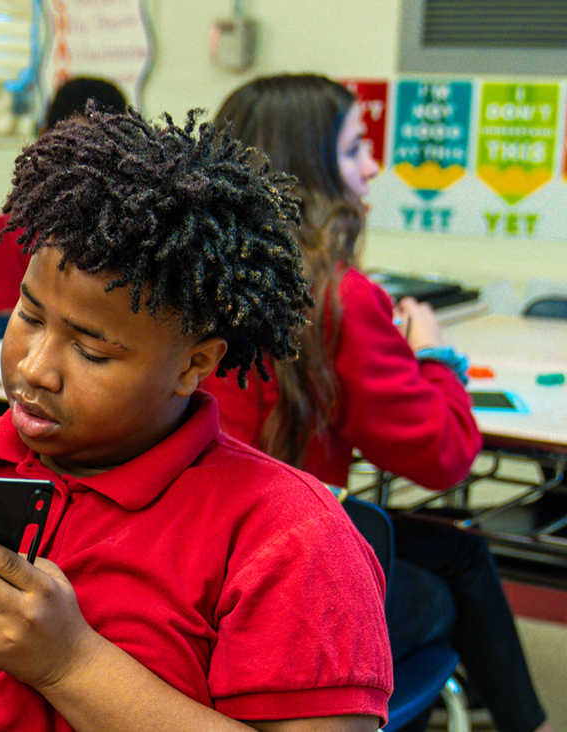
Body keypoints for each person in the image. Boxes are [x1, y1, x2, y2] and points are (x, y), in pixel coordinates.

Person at [0, 107, 393, 732]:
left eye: (90, 350)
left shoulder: (288, 535)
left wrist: (68, 664)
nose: (34, 368)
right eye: (29, 316)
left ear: (194, 363)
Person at [200, 74, 555, 732]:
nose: (372, 166)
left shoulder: (192, 274)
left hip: (200, 555)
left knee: (458, 554)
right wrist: (434, 355)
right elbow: (443, 457)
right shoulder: (335, 296)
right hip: (282, 572)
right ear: (306, 171)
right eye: (354, 149)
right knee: (446, 591)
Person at [0, 76, 127, 315]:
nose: (84, 163)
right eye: (72, 146)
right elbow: (4, 333)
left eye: (99, 149)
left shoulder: (136, 236)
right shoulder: (10, 233)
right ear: (44, 138)